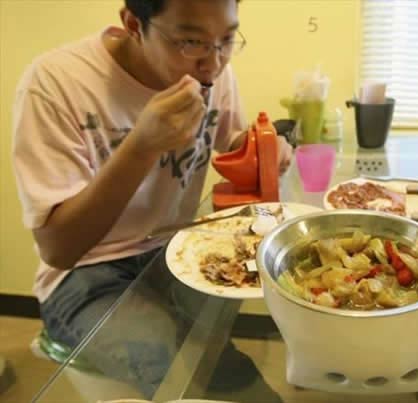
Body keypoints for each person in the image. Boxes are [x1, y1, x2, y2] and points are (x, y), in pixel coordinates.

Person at [12, 0, 291, 398]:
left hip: (174, 252)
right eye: (190, 41)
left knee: (215, 353)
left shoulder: (213, 73)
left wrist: (265, 147)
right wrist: (140, 148)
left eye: (227, 39)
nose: (213, 63)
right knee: (175, 364)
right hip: (85, 274)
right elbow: (59, 249)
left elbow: (230, 144)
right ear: (133, 24)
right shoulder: (56, 82)